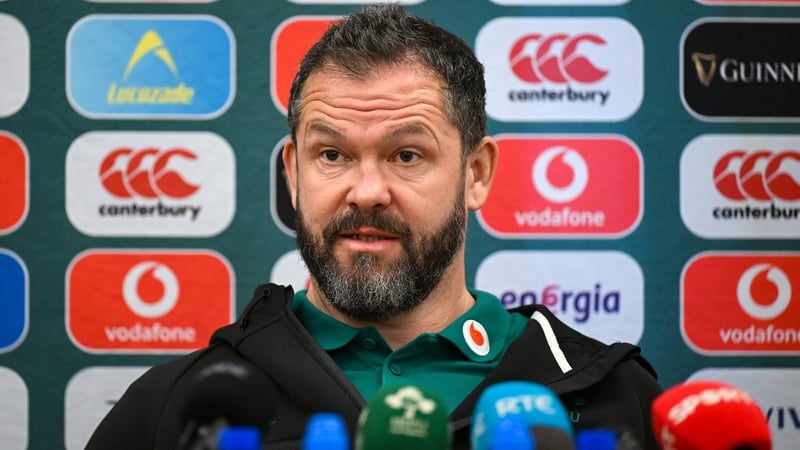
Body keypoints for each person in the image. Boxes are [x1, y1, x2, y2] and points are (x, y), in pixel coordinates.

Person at [86, 4, 662, 449]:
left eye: (406, 155)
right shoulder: (174, 408)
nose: (365, 192)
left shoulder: (615, 396)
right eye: (332, 155)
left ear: (476, 174)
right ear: (293, 173)